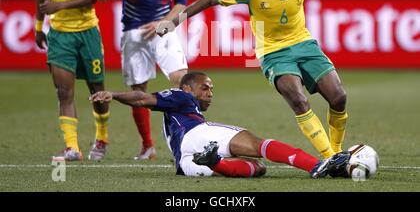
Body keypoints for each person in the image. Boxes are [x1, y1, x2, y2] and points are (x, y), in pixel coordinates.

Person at [157, 0, 348, 159]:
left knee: (339, 97)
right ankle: (330, 156)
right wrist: (174, 22)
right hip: (274, 52)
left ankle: (337, 150)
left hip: (304, 44)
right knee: (299, 100)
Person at [90, 72, 350, 178]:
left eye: (212, 89)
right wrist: (113, 94)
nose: (210, 93)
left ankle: (214, 162)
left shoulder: (179, 105)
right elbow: (142, 98)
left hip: (186, 163)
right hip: (197, 135)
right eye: (205, 88)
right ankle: (316, 165)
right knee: (258, 145)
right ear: (187, 88)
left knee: (257, 170)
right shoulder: (180, 96)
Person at [97, 0, 188, 160]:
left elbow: (182, 6)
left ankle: (188, 140)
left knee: (182, 82)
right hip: (134, 34)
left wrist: (164, 23)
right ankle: (148, 146)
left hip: (163, 30)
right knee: (139, 90)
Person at [32, 0, 110, 161]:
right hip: (60, 35)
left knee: (97, 90)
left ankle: (101, 137)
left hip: (87, 32)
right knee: (64, 93)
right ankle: (72, 147)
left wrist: (60, 5)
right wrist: (38, 26)